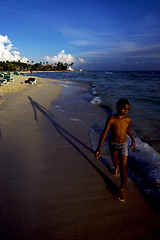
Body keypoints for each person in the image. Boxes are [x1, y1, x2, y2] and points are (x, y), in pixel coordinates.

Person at [95, 99, 136, 202]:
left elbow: (127, 128)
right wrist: (98, 148)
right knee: (114, 159)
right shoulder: (111, 119)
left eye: (127, 109)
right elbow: (104, 133)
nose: (125, 111)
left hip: (123, 145)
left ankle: (122, 188)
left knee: (123, 168)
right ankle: (115, 166)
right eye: (123, 108)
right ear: (117, 107)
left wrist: (133, 139)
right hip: (113, 143)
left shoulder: (128, 119)